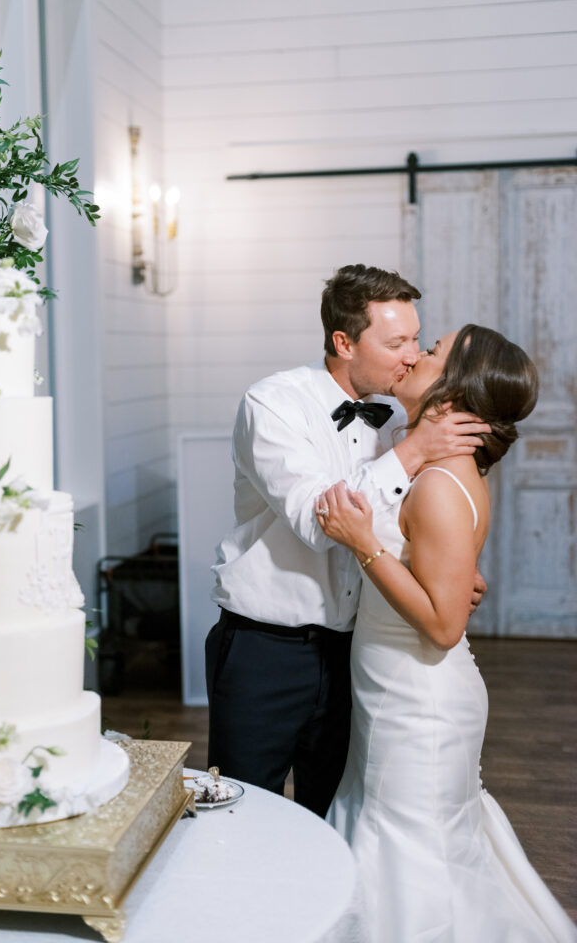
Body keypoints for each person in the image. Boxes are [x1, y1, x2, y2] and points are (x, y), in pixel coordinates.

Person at [317, 325, 577, 943]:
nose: (417, 355)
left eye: (433, 352)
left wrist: (364, 545)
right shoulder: (437, 469)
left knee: (411, 859)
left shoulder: (437, 484)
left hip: (418, 701)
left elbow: (442, 625)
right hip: (400, 690)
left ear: (455, 388)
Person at [207, 264, 489, 817]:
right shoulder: (273, 404)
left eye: (416, 338)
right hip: (267, 650)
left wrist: (446, 574)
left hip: (358, 653)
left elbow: (404, 525)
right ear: (344, 341)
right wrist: (414, 451)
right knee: (242, 809)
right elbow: (321, 524)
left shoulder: (398, 416)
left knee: (332, 813)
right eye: (396, 342)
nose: (412, 355)